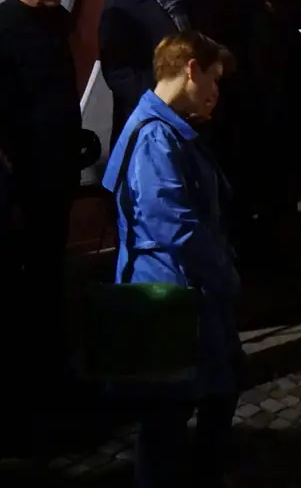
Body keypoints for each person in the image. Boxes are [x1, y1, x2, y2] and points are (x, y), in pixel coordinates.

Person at [102, 32, 242, 488]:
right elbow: (173, 225)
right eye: (213, 79)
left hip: (186, 288)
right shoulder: (155, 137)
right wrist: (224, 272)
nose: (216, 91)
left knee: (212, 392)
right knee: (166, 416)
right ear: (191, 70)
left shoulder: (169, 128)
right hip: (169, 295)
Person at [0, 0, 87, 457]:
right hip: (19, 181)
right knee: (20, 287)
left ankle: (52, 374)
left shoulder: (58, 23)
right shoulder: (3, 27)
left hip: (56, 173)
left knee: (51, 277)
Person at [216, 0, 301, 263]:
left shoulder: (284, 7)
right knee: (243, 190)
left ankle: (274, 250)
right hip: (244, 116)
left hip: (280, 113)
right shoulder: (233, 9)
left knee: (277, 190)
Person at [100, 0, 213, 144]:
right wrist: (159, 102)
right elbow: (117, 71)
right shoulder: (123, 2)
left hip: (186, 117)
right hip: (145, 115)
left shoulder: (191, 4)